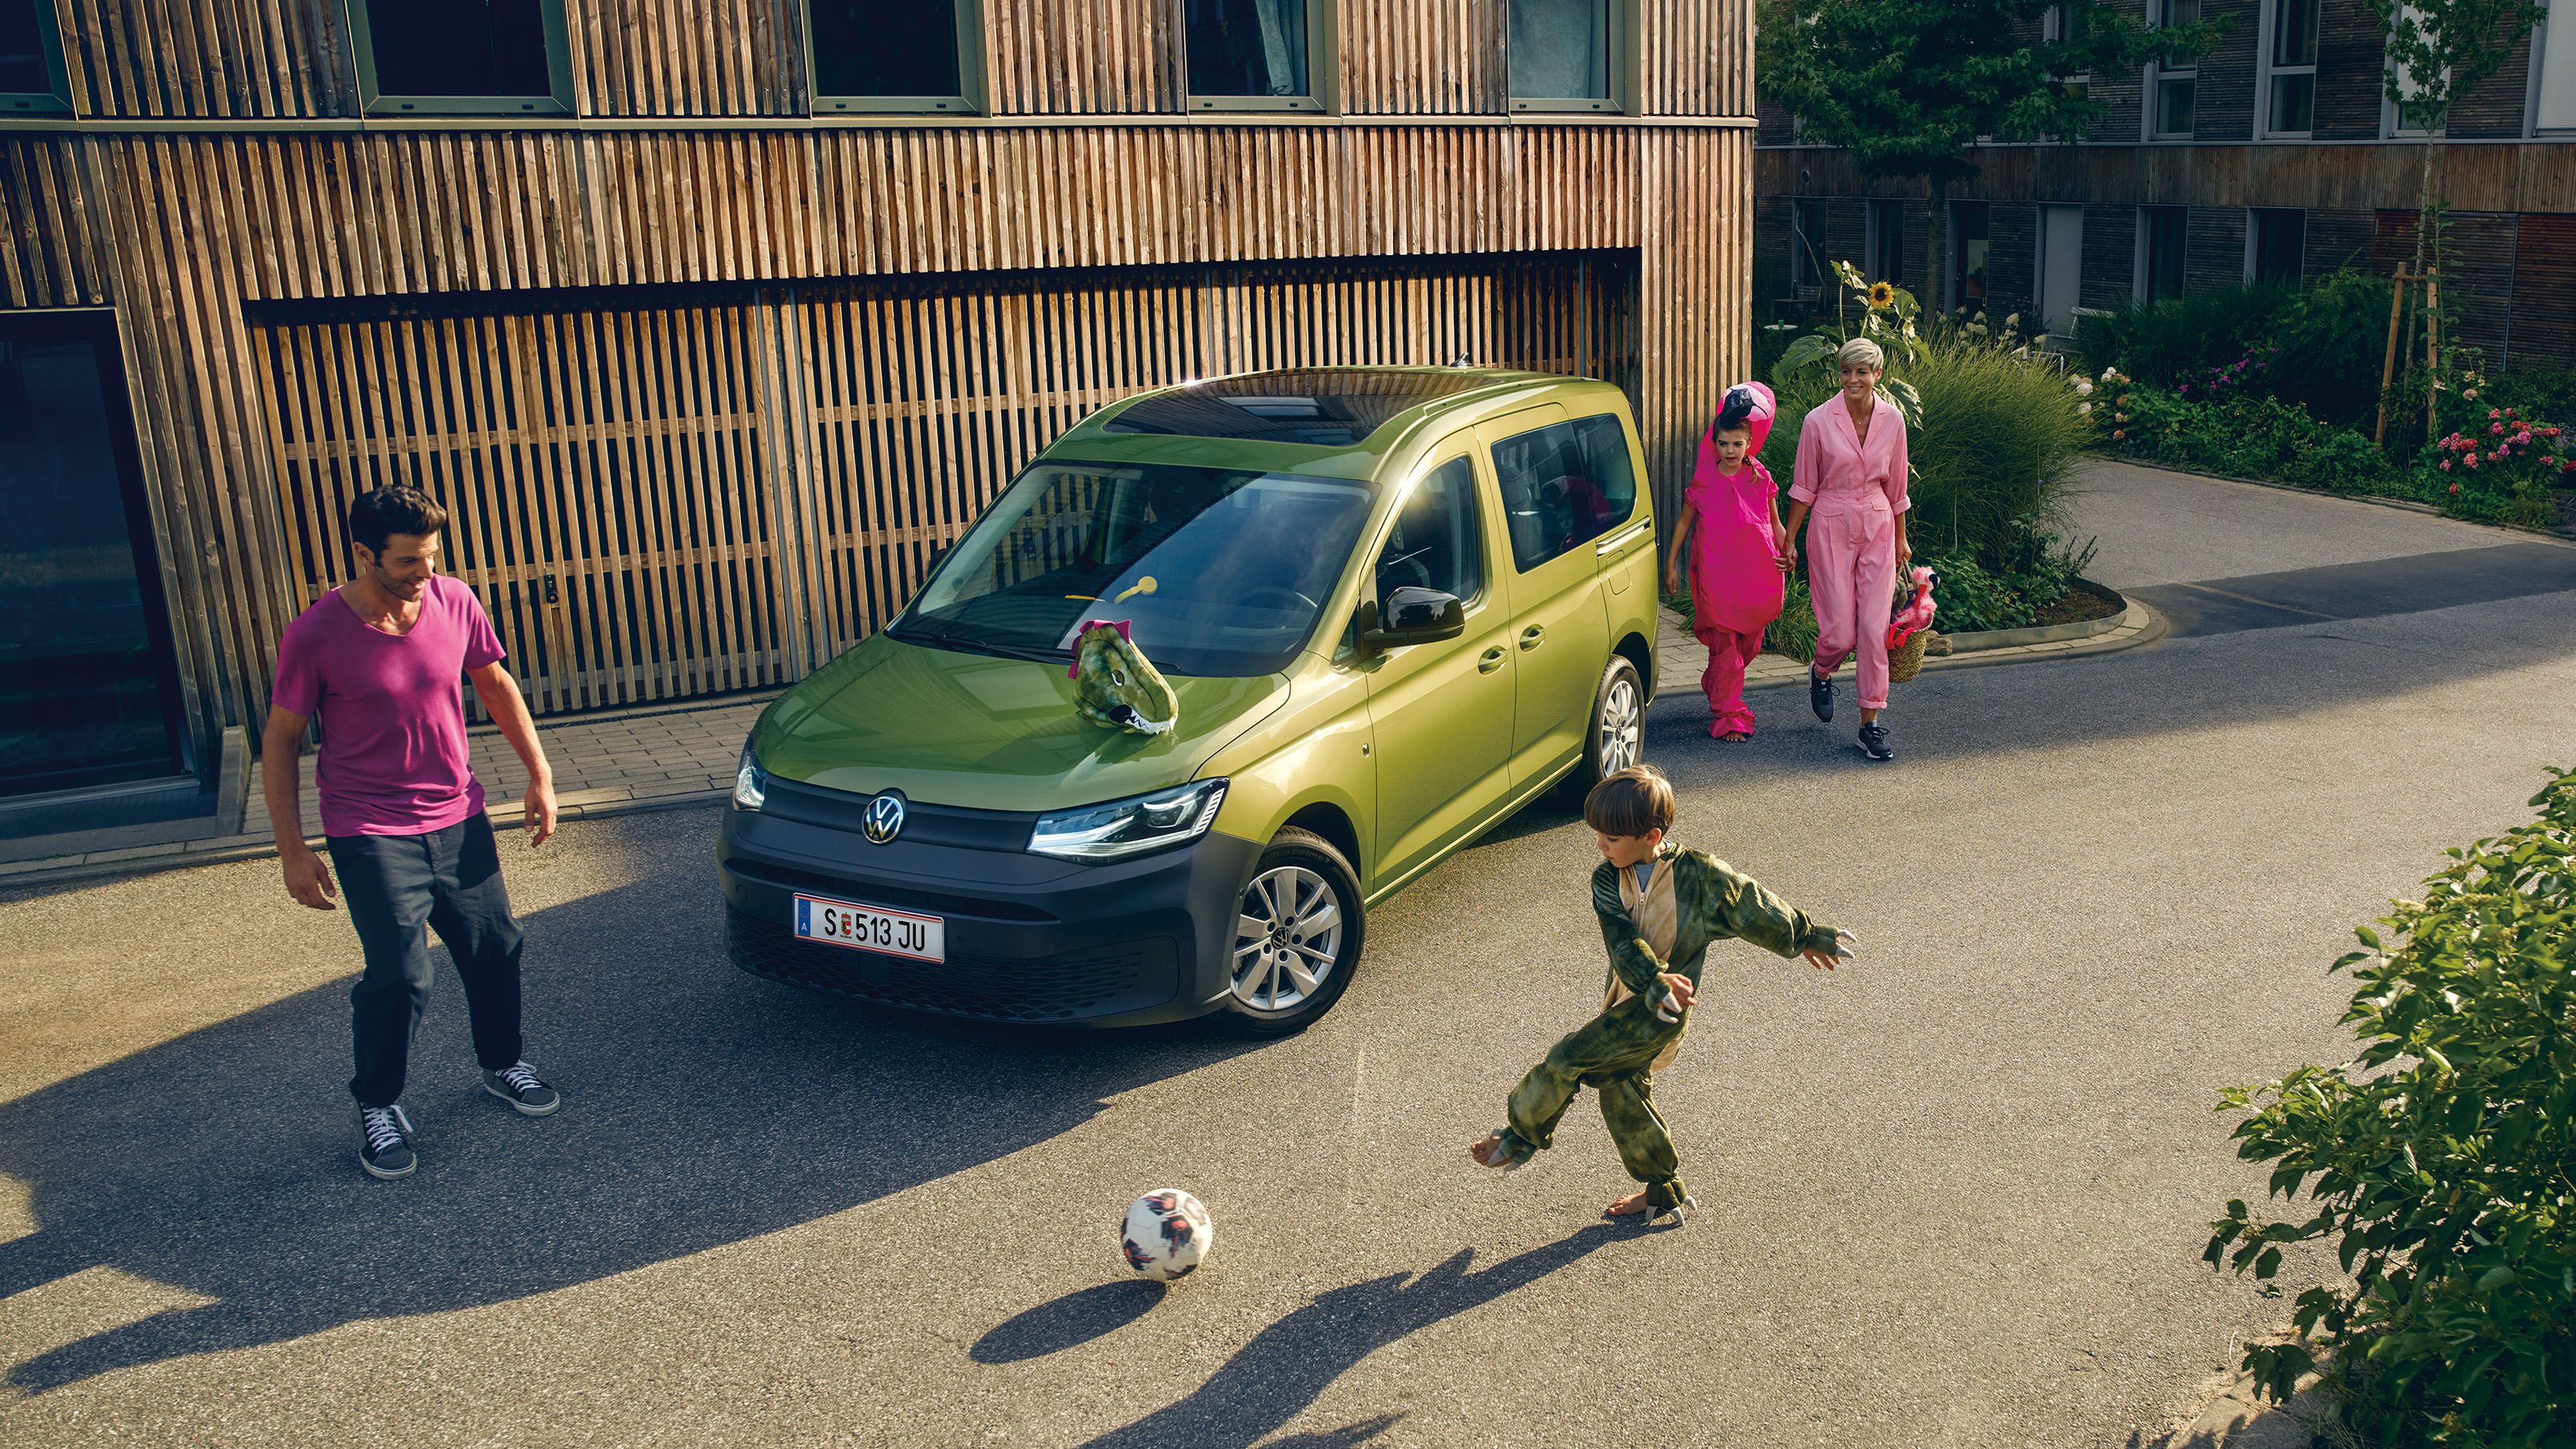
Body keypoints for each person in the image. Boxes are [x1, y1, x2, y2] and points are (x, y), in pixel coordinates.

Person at [262, 485, 562, 1181]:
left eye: (430, 557)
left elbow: (494, 685)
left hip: (457, 813)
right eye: (406, 562)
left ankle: (501, 1064)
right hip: (368, 827)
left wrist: (539, 774)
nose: (423, 573)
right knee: (400, 975)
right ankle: (378, 1103)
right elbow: (281, 740)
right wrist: (292, 849)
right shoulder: (315, 634)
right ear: (363, 553)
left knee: (495, 949)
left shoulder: (455, 599)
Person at [1467, 765, 1855, 1226]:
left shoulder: (1703, 877)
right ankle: (1664, 1190)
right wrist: (1650, 979)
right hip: (1627, 997)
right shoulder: (1607, 879)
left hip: (1665, 1012)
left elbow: (1754, 904)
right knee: (1620, 1091)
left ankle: (1517, 1139)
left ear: (1651, 835)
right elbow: (1620, 939)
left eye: (1610, 839)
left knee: (1567, 1058)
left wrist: (1806, 935)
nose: (1601, 847)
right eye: (1598, 837)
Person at [1783, 336, 1912, 762]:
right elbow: (1804, 486)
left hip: (1877, 521)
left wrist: (1901, 538)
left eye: (1862, 371)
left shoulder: (1894, 421)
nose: (1853, 379)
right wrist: (1789, 539)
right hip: (1830, 523)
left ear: (1877, 375)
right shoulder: (1818, 422)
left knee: (1874, 631)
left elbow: (1897, 489)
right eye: (1846, 371)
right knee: (1839, 631)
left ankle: (1869, 726)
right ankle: (1821, 672)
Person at [1662, 381, 1790, 742]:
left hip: (1757, 573)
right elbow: (1685, 522)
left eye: (1737, 443)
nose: (1730, 450)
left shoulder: (1761, 477)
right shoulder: (1704, 479)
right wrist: (1670, 565)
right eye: (1723, 443)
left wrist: (1788, 550)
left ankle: (1717, 681)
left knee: (1748, 643)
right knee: (1726, 646)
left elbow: (1775, 523)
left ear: (1749, 442)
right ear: (1713, 443)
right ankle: (1729, 715)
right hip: (1717, 576)